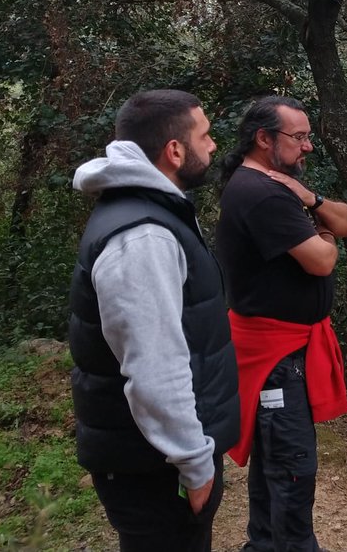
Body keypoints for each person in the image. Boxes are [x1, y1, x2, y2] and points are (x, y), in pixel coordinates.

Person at [68, 89, 240, 552]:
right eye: (205, 136)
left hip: (153, 459)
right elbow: (154, 369)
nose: (213, 145)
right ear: (174, 151)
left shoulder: (152, 211)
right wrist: (195, 463)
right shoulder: (144, 236)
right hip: (154, 468)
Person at [216, 96, 347, 552]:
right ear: (264, 139)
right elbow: (323, 260)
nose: (308, 147)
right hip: (276, 357)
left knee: (274, 464)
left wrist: (311, 199)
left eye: (307, 136)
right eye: (299, 138)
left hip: (286, 352)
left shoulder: (278, 187)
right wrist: (324, 232)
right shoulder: (260, 194)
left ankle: (260, 544)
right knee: (292, 468)